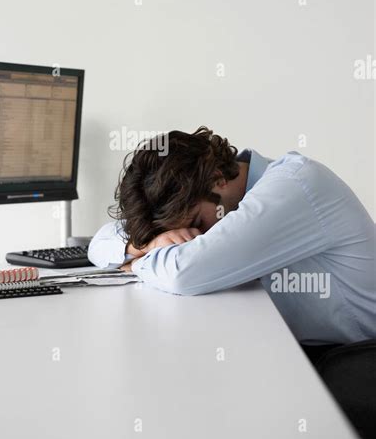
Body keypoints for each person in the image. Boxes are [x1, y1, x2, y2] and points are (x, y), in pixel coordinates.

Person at [88, 127, 376, 354]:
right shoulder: (222, 197)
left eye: (197, 224)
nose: (195, 238)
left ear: (217, 178)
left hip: (356, 355)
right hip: (302, 344)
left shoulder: (294, 185)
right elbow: (100, 242)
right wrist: (142, 246)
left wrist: (136, 264)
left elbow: (186, 272)